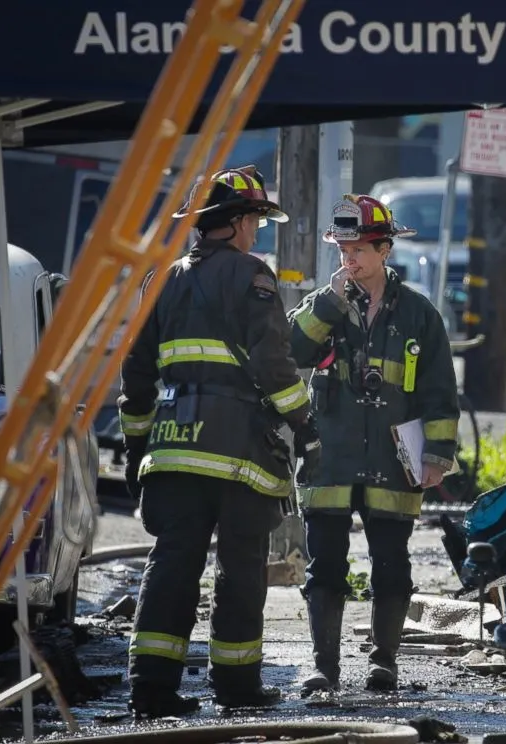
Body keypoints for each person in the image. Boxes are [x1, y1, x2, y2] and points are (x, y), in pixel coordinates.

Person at [118, 166, 321, 718]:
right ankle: (236, 687)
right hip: (238, 455)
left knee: (172, 566)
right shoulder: (253, 276)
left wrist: (140, 457)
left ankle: (151, 689)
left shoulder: (160, 281)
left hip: (173, 447)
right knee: (240, 569)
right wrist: (305, 423)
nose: (257, 229)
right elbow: (273, 364)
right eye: (254, 218)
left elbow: (135, 380)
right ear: (232, 224)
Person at [287, 194, 460, 694]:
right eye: (343, 249)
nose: (349, 259)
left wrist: (436, 456)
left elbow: (439, 391)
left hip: (392, 460)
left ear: (385, 249)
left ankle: (384, 661)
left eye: (359, 249)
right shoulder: (326, 303)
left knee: (391, 565)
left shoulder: (420, 315)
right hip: (330, 458)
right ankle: (325, 667)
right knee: (325, 567)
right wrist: (330, 301)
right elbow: (293, 349)